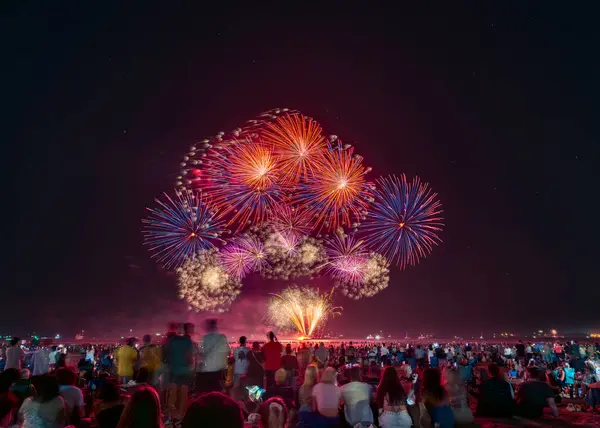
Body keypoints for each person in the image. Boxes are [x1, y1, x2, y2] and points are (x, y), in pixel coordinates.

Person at [165, 322, 195, 421]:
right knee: (183, 393)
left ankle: (170, 415)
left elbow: (167, 354)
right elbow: (190, 357)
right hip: (185, 370)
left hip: (173, 370)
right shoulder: (188, 341)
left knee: (173, 393)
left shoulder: (171, 340)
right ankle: (181, 415)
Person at [198, 319, 229, 393]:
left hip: (208, 369)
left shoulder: (205, 338)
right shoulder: (222, 337)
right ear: (216, 327)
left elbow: (201, 353)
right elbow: (227, 352)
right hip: (219, 369)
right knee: (218, 392)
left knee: (208, 391)